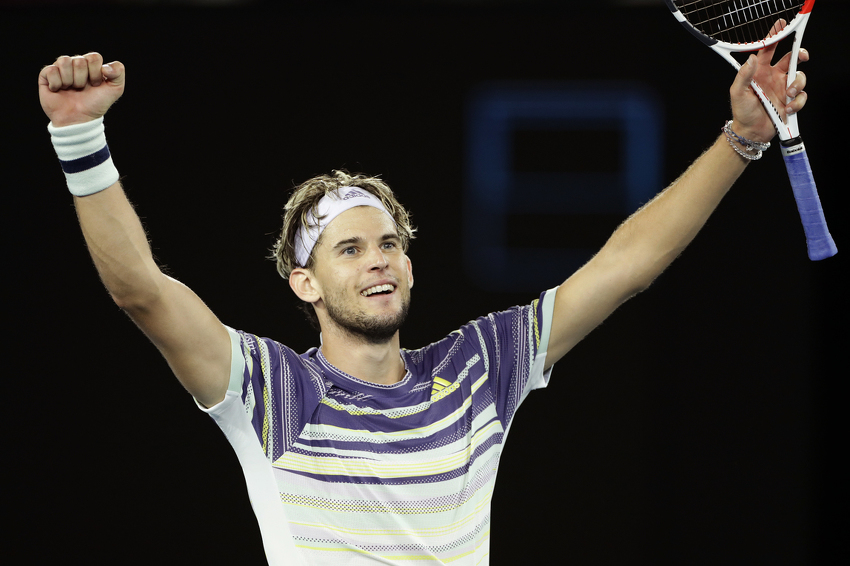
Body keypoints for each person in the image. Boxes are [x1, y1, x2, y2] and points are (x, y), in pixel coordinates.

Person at [38, 41, 809, 565]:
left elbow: (627, 265)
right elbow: (140, 289)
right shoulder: (270, 389)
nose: (379, 261)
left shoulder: (477, 369)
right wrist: (80, 137)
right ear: (303, 284)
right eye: (350, 249)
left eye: (390, 245)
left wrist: (741, 137)